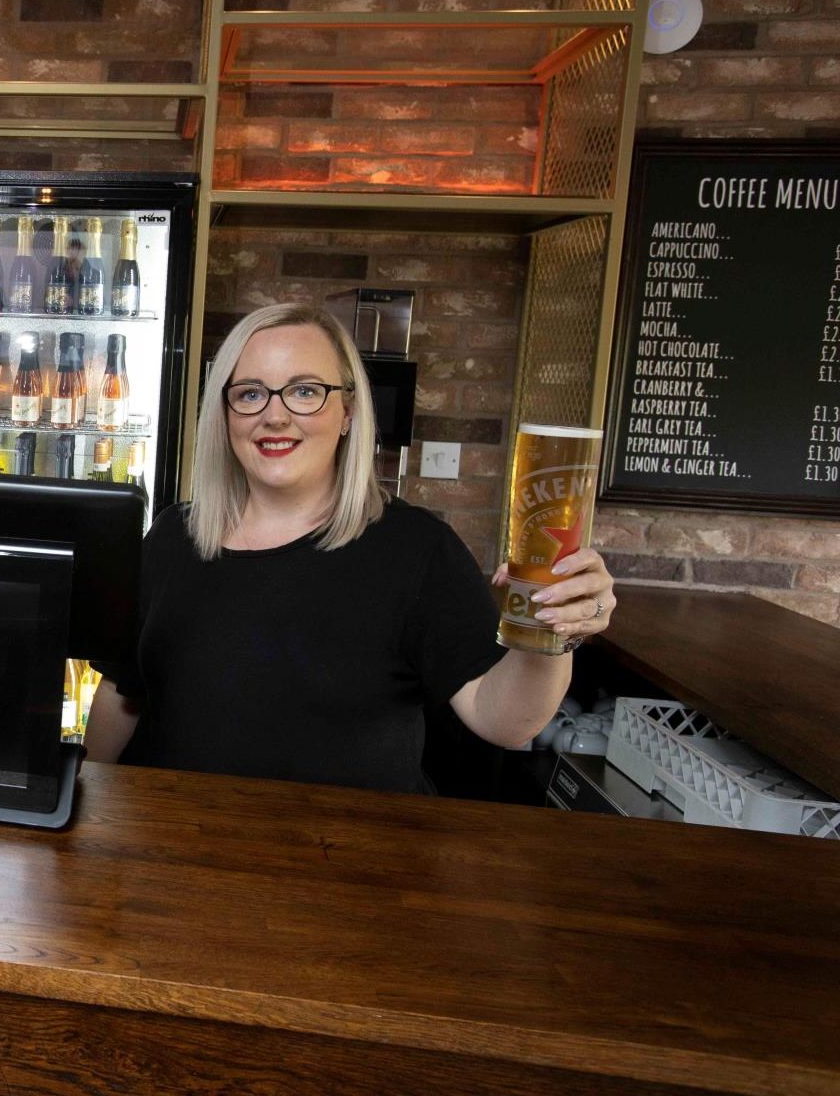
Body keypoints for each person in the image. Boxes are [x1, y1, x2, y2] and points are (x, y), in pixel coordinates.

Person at [85, 302, 617, 794]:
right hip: (172, 855)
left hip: (346, 873)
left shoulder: (416, 550)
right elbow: (121, 695)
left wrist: (556, 632)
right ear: (224, 416)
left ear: (348, 412)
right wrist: (80, 809)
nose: (274, 415)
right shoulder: (175, 537)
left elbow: (503, 720)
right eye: (249, 392)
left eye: (304, 390)